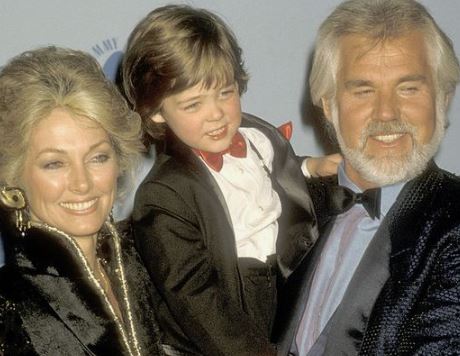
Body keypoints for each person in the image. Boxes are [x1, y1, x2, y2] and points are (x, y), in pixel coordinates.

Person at [121, 5, 327, 355]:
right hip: (220, 329)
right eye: (193, 105)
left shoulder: (259, 136)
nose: (216, 113)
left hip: (282, 292)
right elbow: (197, 300)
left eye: (225, 93)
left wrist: (315, 170)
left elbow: (282, 176)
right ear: (156, 111)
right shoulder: (163, 196)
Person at [276, 0, 460, 355]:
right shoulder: (287, 203)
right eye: (363, 91)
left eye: (408, 88)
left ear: (443, 97)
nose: (386, 112)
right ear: (328, 105)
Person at [0, 46, 163, 355]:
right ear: (15, 176)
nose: (82, 183)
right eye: (54, 164)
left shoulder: (144, 264)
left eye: (97, 157)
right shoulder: (10, 308)